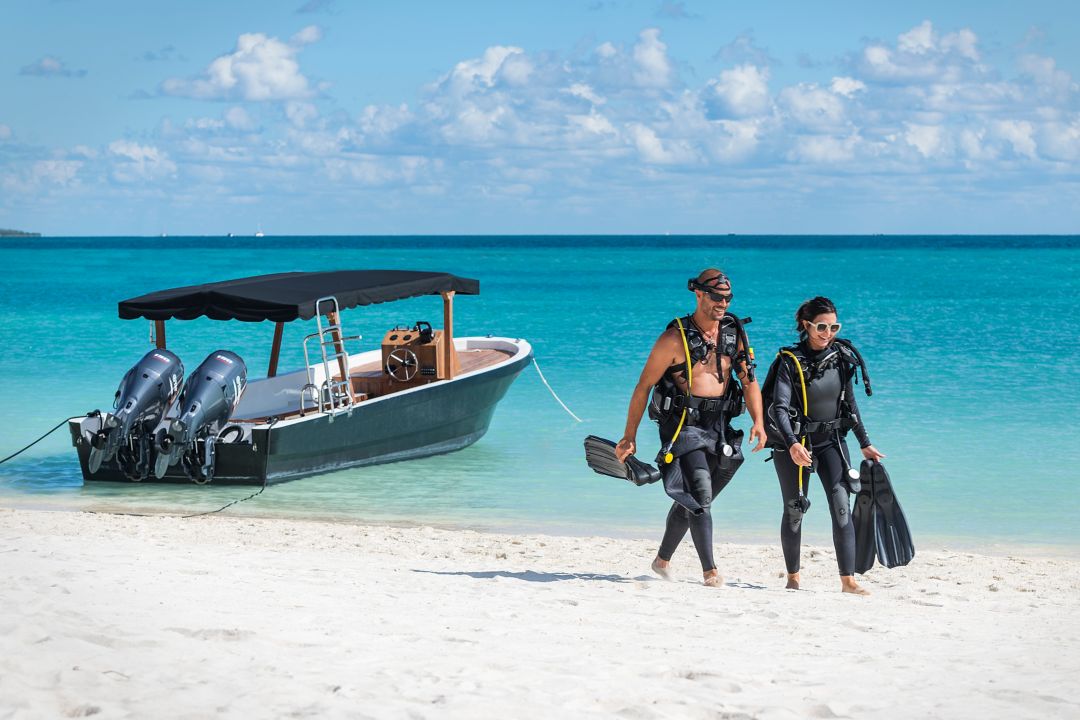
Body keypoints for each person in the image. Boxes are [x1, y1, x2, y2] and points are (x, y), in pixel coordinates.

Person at [615, 269, 766, 587]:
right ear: (698, 294)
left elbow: (748, 380)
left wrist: (759, 421)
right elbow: (643, 386)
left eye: (727, 298)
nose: (722, 303)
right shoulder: (674, 338)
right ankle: (710, 571)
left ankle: (661, 560)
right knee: (700, 493)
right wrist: (629, 435)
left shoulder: (733, 333)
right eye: (716, 297)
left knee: (695, 500)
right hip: (683, 426)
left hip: (719, 427)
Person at [764, 296, 884, 595]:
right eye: (821, 326)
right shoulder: (789, 362)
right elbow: (779, 408)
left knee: (841, 505)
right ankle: (793, 576)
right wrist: (791, 444)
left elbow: (850, 404)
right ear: (806, 326)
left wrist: (864, 444)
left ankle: (848, 581)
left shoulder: (841, 358)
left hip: (832, 442)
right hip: (797, 444)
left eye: (833, 326)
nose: (827, 333)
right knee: (795, 508)